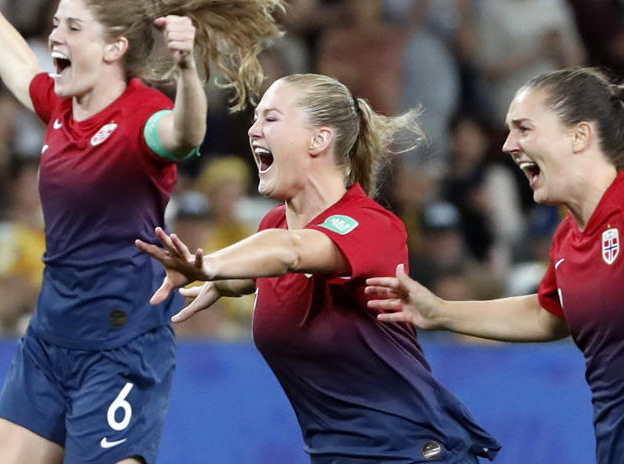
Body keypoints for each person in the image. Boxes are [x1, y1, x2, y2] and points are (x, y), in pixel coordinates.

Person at [0, 0, 283, 464]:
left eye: (73, 27)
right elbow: (15, 62)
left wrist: (188, 69)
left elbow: (185, 131)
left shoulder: (142, 117)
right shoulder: (60, 105)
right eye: (56, 23)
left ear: (114, 48)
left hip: (121, 346)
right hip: (50, 340)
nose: (55, 35)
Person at [366, 67, 624, 464]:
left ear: (579, 136)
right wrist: (440, 310)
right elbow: (547, 316)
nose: (507, 145)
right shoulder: (567, 237)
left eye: (524, 129)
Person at [137, 73, 501, 464]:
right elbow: (280, 262)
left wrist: (210, 265)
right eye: (255, 119)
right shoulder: (273, 225)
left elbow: (295, 251)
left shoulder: (371, 223)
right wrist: (234, 280)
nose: (253, 130)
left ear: (319, 139)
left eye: (270, 119)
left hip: (411, 454)